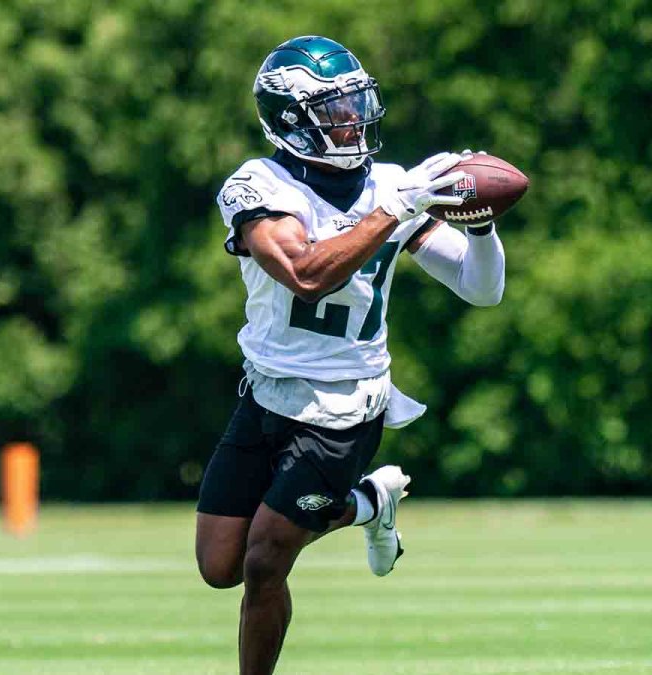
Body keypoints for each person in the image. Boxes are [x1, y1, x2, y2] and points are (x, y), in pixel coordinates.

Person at [195, 35, 506, 675]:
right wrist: (396, 208)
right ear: (291, 119)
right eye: (333, 110)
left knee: (262, 561)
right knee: (218, 565)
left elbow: (481, 289)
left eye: (355, 104)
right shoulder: (258, 184)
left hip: (345, 407)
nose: (352, 120)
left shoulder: (392, 184)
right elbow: (307, 274)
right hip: (264, 394)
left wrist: (481, 226)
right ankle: (367, 503)